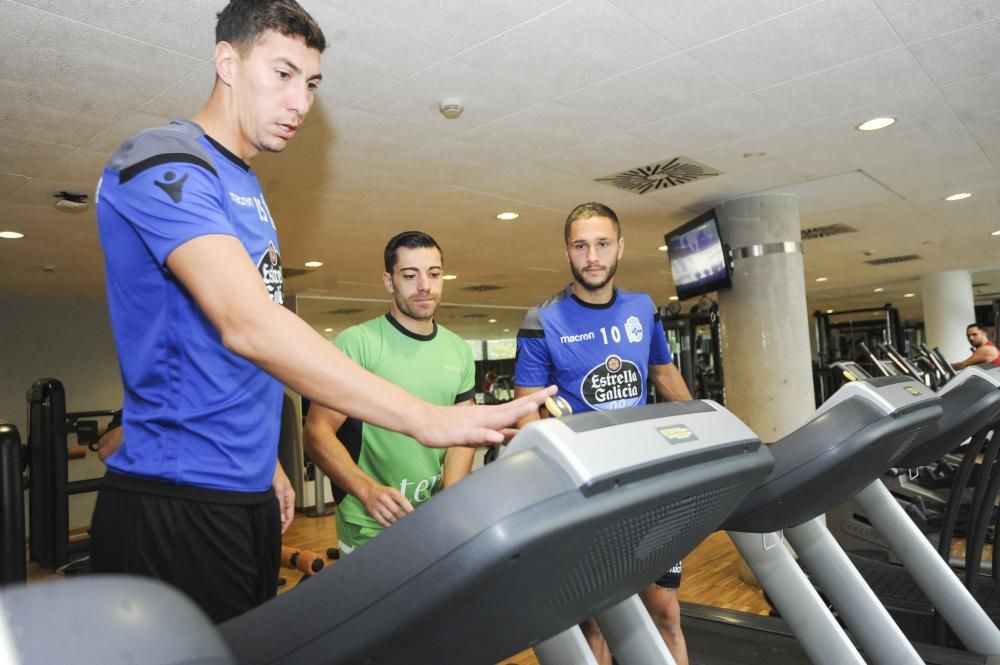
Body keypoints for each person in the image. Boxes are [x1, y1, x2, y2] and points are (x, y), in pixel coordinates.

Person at [90, 0, 553, 624]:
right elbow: (247, 324)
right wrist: (427, 420)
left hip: (243, 493)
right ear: (226, 62)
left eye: (310, 83)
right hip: (178, 497)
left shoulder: (247, 187)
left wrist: (267, 465)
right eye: (281, 74)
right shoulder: (163, 159)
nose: (301, 101)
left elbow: (230, 358)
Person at [514, 202, 693, 665]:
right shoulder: (542, 321)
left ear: (620, 247)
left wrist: (706, 428)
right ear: (567, 251)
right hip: (586, 493)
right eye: (580, 246)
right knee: (593, 620)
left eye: (602, 244)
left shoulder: (642, 307)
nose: (592, 256)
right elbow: (526, 416)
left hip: (646, 483)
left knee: (665, 612)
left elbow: (666, 376)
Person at [303, 231, 476, 553]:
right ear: (389, 281)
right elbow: (316, 432)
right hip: (370, 522)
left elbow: (462, 436)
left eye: (434, 274)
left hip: (432, 520)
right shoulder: (358, 343)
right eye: (410, 275)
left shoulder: (458, 350)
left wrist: (451, 499)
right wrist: (367, 491)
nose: (424, 285)